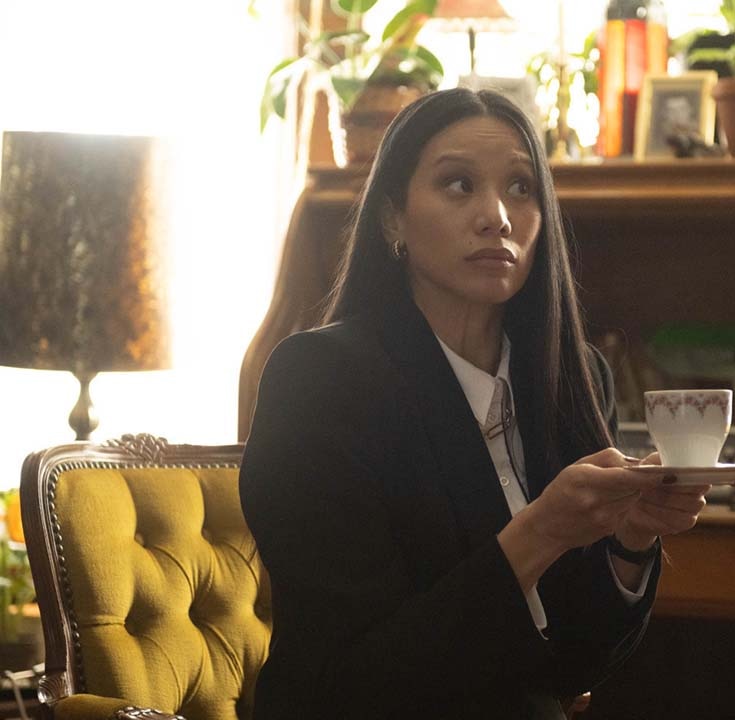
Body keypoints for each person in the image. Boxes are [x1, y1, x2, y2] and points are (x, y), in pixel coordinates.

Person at [239, 88, 710, 719]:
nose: (498, 216)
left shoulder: (573, 377)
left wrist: (630, 539)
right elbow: (357, 681)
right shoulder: (321, 380)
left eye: (521, 187)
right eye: (458, 185)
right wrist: (539, 533)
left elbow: (575, 667)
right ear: (392, 219)